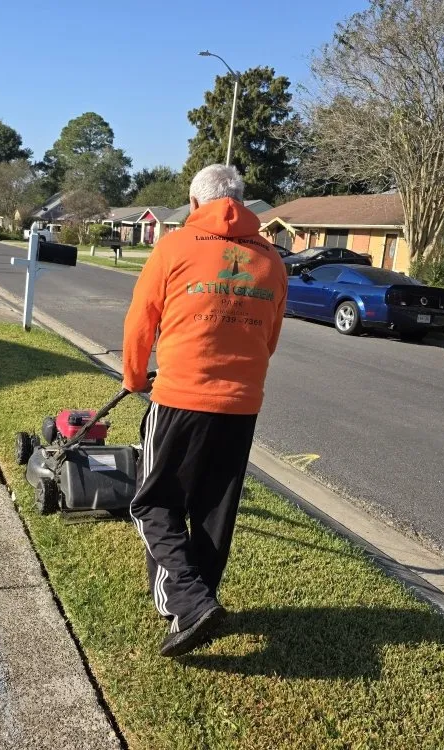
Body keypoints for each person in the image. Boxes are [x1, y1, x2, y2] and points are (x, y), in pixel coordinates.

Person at [122, 164, 288, 657]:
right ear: (243, 202)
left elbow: (140, 322)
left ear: (195, 205)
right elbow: (270, 337)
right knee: (215, 509)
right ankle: (200, 602)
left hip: (179, 399)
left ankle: (189, 604)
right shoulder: (272, 261)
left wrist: (134, 379)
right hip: (241, 406)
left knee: (154, 503)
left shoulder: (173, 247)